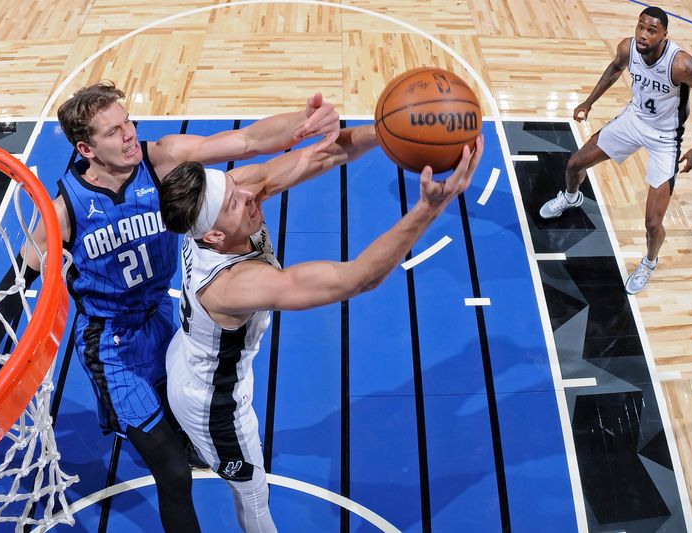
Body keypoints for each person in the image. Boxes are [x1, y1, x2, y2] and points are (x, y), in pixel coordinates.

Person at [0, 80, 340, 532]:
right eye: (114, 132)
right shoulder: (64, 211)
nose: (129, 134)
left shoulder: (160, 160)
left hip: (160, 321)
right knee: (173, 474)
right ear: (85, 148)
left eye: (128, 122)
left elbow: (247, 140)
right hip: (111, 346)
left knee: (188, 440)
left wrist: (306, 121)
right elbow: (18, 282)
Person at [158, 125, 484, 531]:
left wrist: (393, 131)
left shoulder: (223, 205)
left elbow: (325, 155)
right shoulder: (234, 286)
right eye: (235, 202)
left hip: (189, 353)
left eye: (235, 185)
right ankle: (208, 450)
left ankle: (201, 446)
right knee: (254, 495)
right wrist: (429, 208)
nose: (248, 193)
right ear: (216, 236)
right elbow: (358, 279)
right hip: (213, 400)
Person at [538, 6, 692, 294]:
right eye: (641, 27)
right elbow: (614, 69)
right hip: (633, 121)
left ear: (664, 35)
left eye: (652, 30)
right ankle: (572, 198)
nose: (643, 35)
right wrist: (588, 102)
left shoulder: (681, 64)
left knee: (652, 223)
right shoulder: (628, 47)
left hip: (666, 139)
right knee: (574, 164)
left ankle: (649, 261)